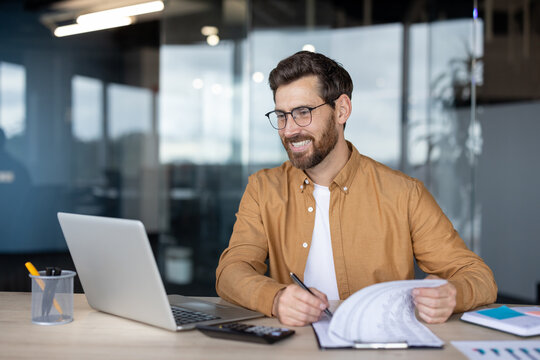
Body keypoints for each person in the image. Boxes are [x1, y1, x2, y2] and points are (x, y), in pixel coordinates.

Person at [215, 51, 497, 327]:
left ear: (342, 110)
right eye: (281, 116)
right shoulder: (263, 189)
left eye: (303, 113)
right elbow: (231, 272)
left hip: (382, 347)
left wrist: (452, 295)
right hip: (293, 347)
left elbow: (477, 276)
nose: (289, 130)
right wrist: (275, 299)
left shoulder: (403, 193)